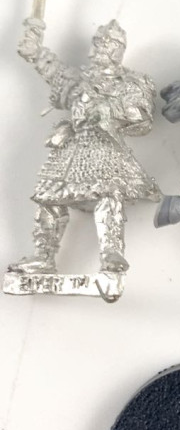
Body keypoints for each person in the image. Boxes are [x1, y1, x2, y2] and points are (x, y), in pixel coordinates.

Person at [9, 17, 160, 275]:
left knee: (108, 194)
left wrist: (108, 111)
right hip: (73, 146)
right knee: (49, 198)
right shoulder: (78, 80)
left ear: (117, 49)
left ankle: (111, 252)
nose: (99, 49)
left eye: (106, 44)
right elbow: (53, 70)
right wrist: (35, 51)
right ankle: (43, 256)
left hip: (105, 146)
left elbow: (142, 120)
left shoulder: (131, 83)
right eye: (98, 43)